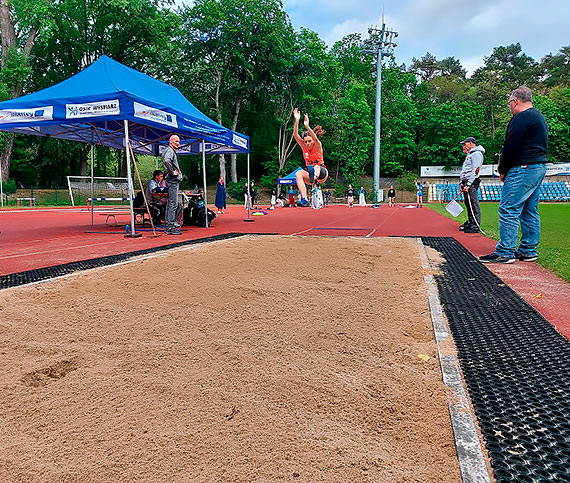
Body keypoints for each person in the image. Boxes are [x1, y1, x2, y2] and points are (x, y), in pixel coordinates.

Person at [480, 86, 549, 264]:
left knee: (508, 208)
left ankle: (505, 251)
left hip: (523, 167)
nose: (510, 107)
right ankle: (528, 250)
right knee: (529, 210)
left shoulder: (521, 117)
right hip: (537, 166)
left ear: (515, 101)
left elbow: (511, 146)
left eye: (510, 103)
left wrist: (503, 169)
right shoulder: (538, 117)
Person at [292, 108, 328, 207]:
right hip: (310, 176)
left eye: (309, 141)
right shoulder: (304, 147)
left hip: (322, 173)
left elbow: (315, 138)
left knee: (316, 167)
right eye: (305, 141)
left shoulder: (317, 146)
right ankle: (304, 199)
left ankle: (314, 176)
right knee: (298, 173)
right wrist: (297, 120)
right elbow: (295, 135)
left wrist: (307, 126)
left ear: (313, 140)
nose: (307, 143)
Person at [459, 137, 485, 233]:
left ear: (471, 143)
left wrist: (469, 184)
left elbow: (475, 170)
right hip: (466, 181)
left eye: (465, 144)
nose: (464, 146)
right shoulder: (471, 154)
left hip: (472, 181)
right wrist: (461, 182)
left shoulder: (476, 154)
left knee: (473, 203)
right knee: (468, 203)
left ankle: (476, 224)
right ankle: (470, 222)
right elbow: (465, 170)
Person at [162, 135, 183, 235]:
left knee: (171, 203)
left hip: (171, 180)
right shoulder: (169, 151)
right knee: (173, 203)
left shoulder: (169, 150)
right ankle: (170, 226)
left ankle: (168, 224)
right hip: (172, 180)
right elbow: (166, 161)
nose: (178, 143)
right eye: (176, 141)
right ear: (170, 142)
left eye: (179, 142)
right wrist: (172, 172)